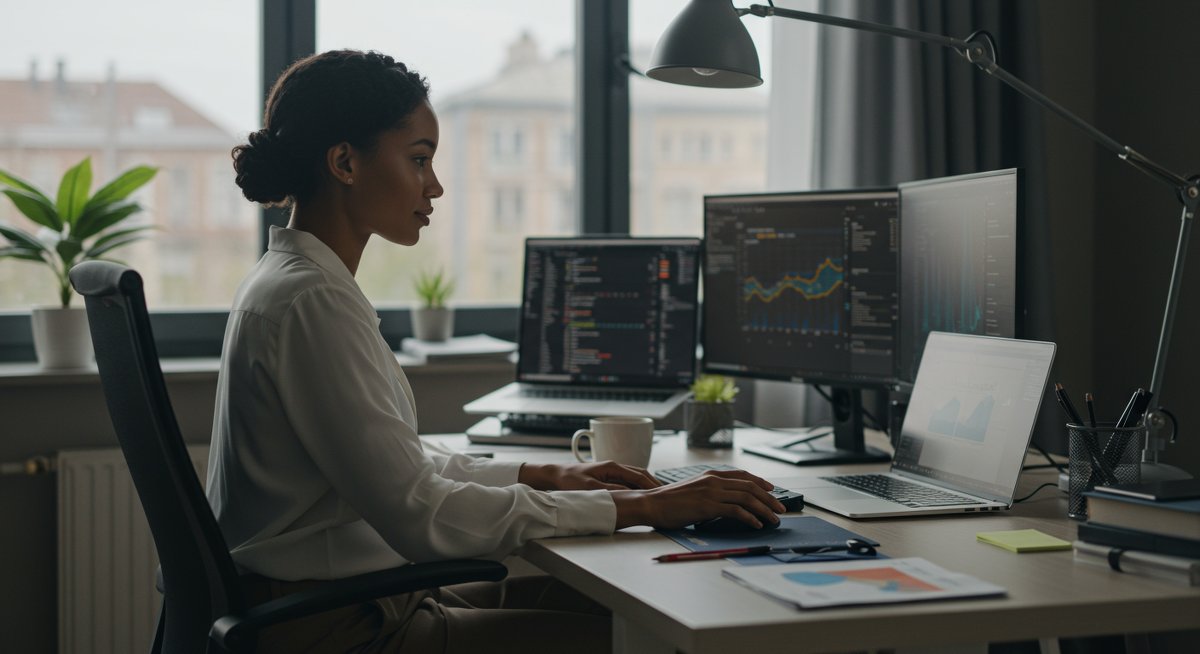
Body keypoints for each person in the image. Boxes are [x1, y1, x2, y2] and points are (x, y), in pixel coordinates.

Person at [209, 49, 784, 654]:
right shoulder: (312, 301)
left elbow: (401, 469)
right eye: (419, 159)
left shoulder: (294, 283)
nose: (435, 185)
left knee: (616, 610)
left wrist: (549, 474)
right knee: (647, 639)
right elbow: (421, 513)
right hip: (338, 630)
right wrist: (641, 506)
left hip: (343, 603)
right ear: (345, 163)